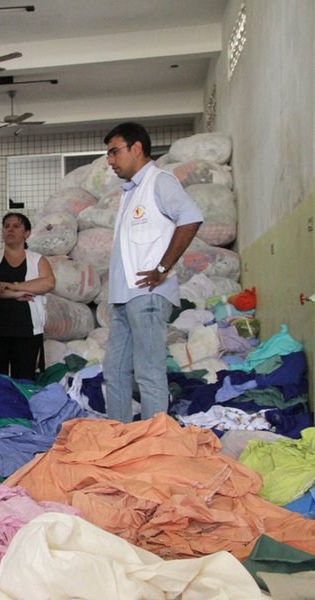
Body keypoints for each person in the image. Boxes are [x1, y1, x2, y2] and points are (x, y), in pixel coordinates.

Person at [102, 121, 203, 423]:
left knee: (149, 371)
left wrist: (162, 268)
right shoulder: (131, 191)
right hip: (123, 296)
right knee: (115, 370)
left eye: (114, 152)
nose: (110, 161)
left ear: (137, 148)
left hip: (146, 295)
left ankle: (154, 445)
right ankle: (120, 438)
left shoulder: (160, 181)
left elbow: (191, 217)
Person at [0, 213, 55, 381]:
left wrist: (13, 285)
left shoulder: (37, 259)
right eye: (6, 226)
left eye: (16, 226)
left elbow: (48, 282)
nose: (10, 230)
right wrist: (16, 293)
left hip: (27, 330)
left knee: (24, 379)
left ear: (27, 233)